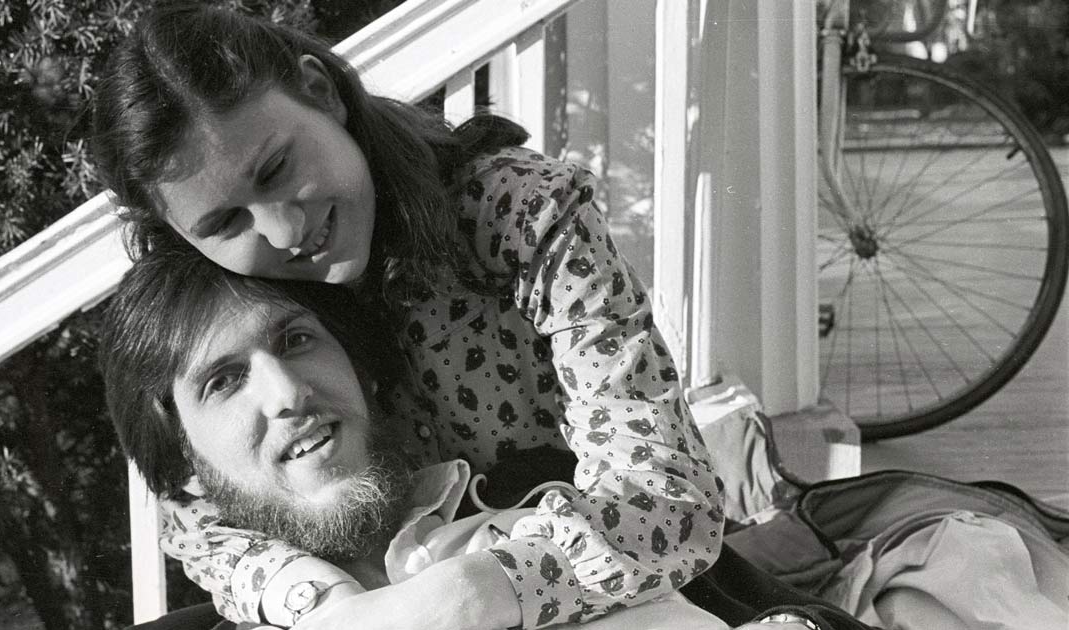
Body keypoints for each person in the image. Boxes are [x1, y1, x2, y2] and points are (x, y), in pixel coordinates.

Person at [90, 3, 727, 628]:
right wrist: (332, 607)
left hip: (606, 588)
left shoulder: (520, 216)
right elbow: (196, 516)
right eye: (227, 221)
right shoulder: (235, 302)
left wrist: (460, 599)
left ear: (320, 92)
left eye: (277, 168)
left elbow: (667, 500)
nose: (283, 230)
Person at [100, 246, 816, 630]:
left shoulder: (558, 526)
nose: (287, 394)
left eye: (296, 340)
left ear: (365, 373)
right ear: (185, 470)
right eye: (223, 382)